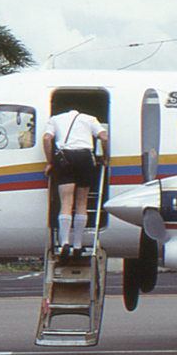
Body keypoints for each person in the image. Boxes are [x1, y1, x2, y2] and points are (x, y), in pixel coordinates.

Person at [43, 108, 109, 260]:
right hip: (85, 158)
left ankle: (64, 242)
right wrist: (105, 158)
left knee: (66, 202)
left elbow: (47, 138)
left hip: (65, 157)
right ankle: (78, 244)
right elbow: (104, 138)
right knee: (81, 203)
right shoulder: (90, 118)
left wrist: (50, 161)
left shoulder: (55, 119)